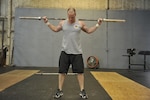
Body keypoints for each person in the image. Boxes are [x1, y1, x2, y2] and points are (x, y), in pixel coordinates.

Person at [42, 7, 102, 99]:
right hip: (65, 51)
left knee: (80, 72)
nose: (70, 19)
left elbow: (89, 31)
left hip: (77, 52)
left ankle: (82, 91)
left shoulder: (80, 23)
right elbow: (55, 29)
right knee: (62, 72)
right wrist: (47, 22)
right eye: (69, 17)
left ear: (75, 15)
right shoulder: (63, 23)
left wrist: (98, 24)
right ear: (67, 15)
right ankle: (59, 90)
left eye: (72, 17)